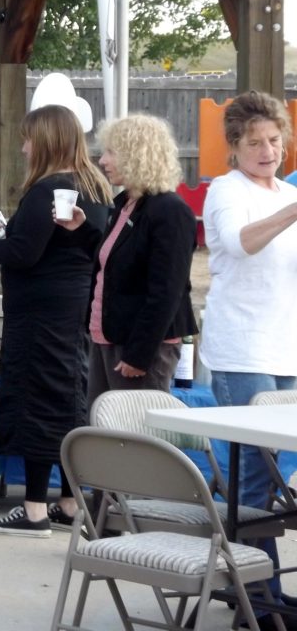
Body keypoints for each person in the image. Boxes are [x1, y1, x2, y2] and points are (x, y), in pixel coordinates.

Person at [0, 104, 112, 538]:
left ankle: (34, 509)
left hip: (40, 312)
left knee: (38, 401)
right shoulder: (97, 187)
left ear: (47, 141)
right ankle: (70, 503)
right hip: (76, 306)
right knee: (69, 399)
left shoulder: (47, 189)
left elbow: (24, 253)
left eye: (29, 138)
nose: (24, 146)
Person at [200, 91, 297, 629]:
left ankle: (256, 589)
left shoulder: (284, 191)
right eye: (255, 142)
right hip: (242, 349)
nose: (268, 150)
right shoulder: (225, 190)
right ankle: (258, 597)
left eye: (275, 140)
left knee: (280, 474)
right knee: (256, 477)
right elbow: (241, 244)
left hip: (288, 346)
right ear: (234, 147)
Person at [59, 114, 197, 408]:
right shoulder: (126, 205)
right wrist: (82, 231)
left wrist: (139, 354)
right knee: (105, 431)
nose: (102, 160)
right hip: (109, 339)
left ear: (137, 155)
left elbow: (166, 292)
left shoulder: (170, 211)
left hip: (139, 348)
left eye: (111, 152)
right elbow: (119, 264)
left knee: (136, 440)